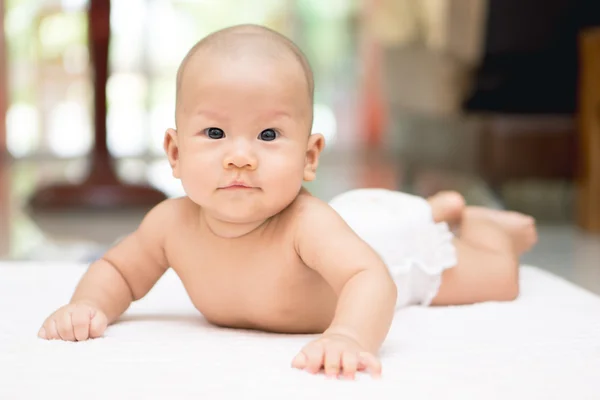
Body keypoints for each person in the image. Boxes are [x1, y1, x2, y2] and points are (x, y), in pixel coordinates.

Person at [37, 24, 537, 380]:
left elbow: (370, 278)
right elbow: (119, 270)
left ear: (308, 156)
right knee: (402, 212)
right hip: (360, 220)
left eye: (268, 134)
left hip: (392, 250)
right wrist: (87, 304)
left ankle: (484, 226)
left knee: (500, 279)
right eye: (214, 132)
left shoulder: (306, 224)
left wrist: (349, 336)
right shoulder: (170, 224)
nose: (239, 157)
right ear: (174, 151)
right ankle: (438, 207)